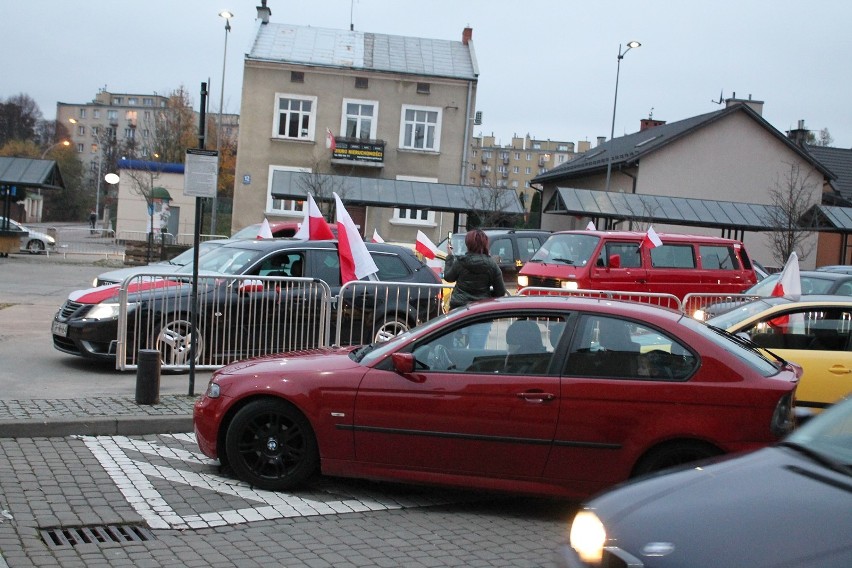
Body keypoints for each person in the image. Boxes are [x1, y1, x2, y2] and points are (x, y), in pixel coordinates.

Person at [444, 228, 507, 310]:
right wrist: (486, 296)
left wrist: (450, 257)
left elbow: (448, 277)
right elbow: (500, 292)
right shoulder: (492, 265)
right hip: (481, 309)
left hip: (459, 308)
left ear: (468, 244)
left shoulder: (461, 262)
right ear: (485, 244)